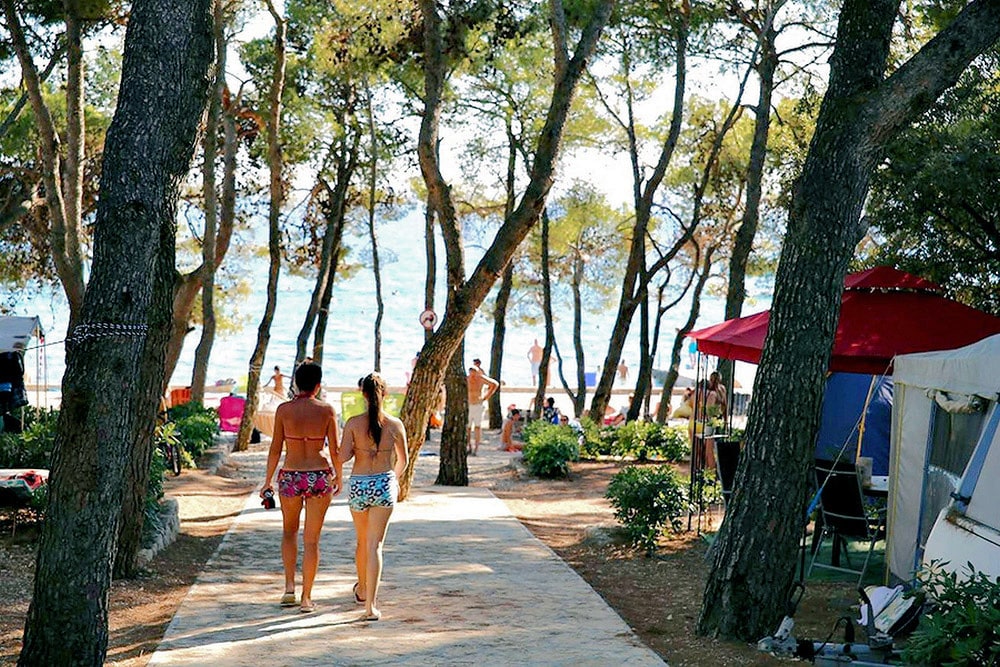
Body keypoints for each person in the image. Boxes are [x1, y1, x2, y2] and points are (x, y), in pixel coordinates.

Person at [260, 362, 341, 613]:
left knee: (289, 532)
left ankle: (288, 588)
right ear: (318, 385)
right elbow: (335, 449)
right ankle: (306, 598)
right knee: (312, 540)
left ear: (296, 382)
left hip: (291, 475)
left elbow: (275, 448)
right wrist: (339, 475)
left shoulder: (284, 410)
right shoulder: (327, 410)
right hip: (318, 475)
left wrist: (267, 480)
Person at [339, 372, 408, 622]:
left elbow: (343, 456)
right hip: (384, 482)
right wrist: (393, 480)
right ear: (385, 394)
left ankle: (362, 588)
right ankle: (370, 606)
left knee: (361, 542)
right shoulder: (395, 424)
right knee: (375, 545)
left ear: (363, 394)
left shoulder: (353, 423)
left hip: (359, 484)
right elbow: (404, 460)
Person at [467, 361, 499, 456]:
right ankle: (469, 446)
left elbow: (495, 384)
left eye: (474, 374)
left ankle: (476, 448)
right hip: (469, 404)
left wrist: (486, 397)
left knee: (477, 427)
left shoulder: (480, 379)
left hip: (478, 404)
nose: (473, 377)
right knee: (467, 427)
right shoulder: (467, 379)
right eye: (471, 374)